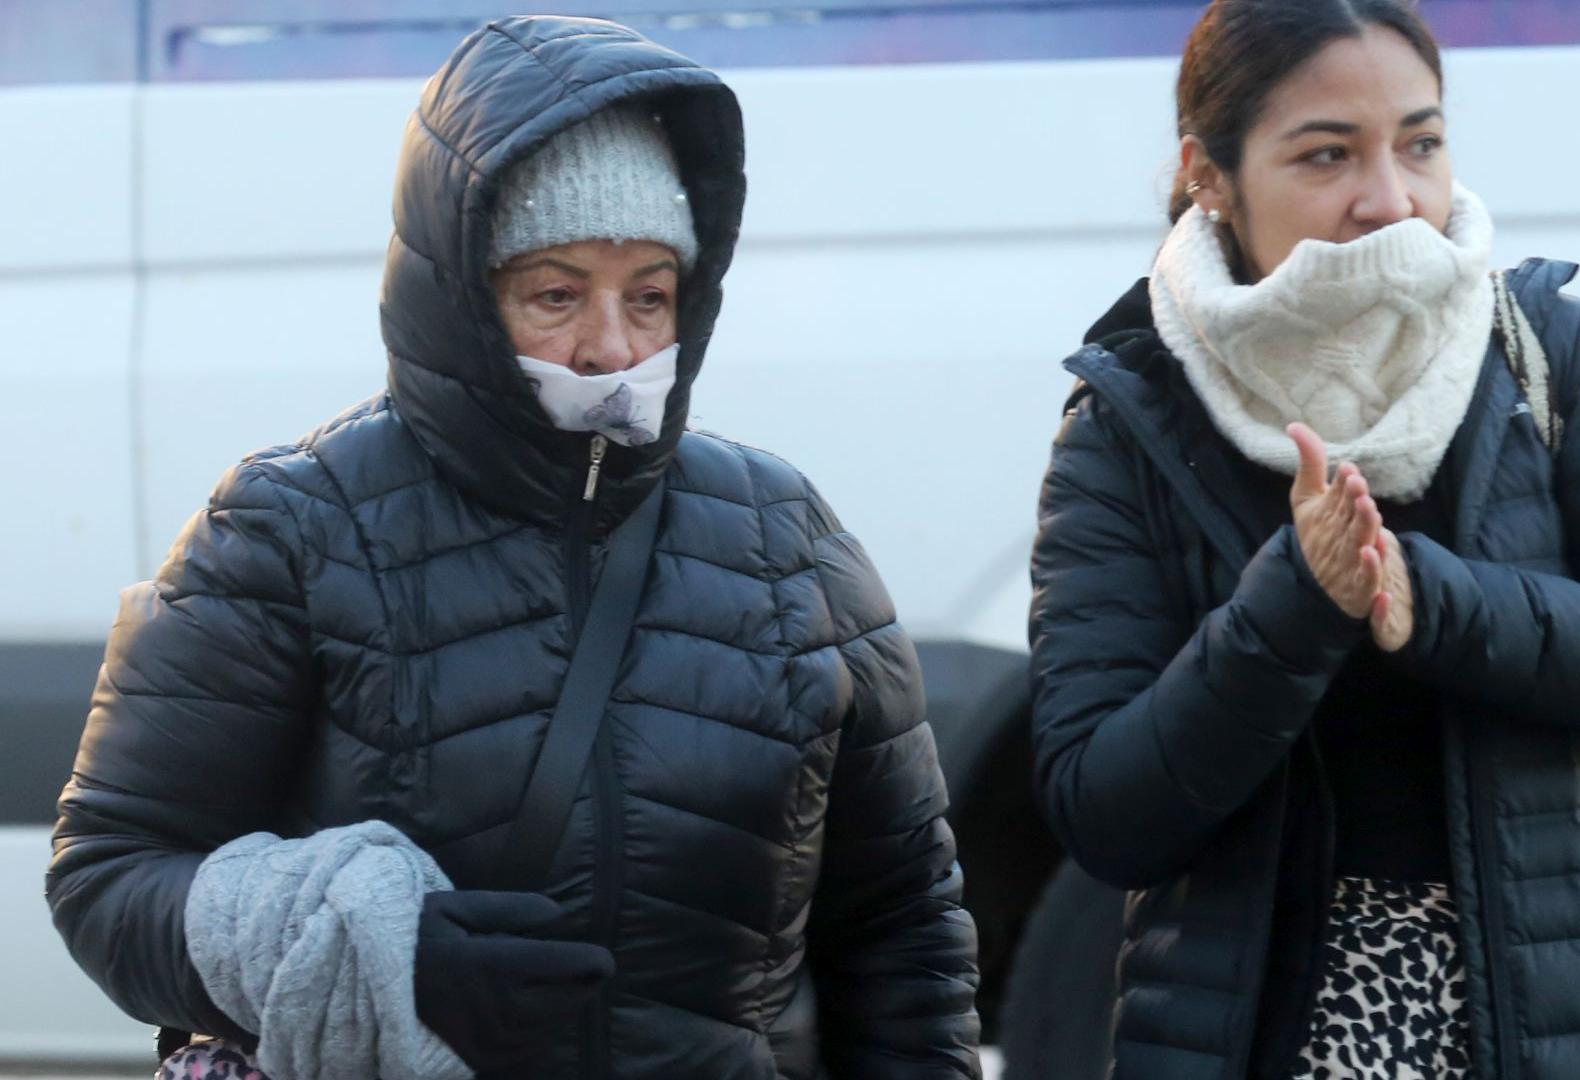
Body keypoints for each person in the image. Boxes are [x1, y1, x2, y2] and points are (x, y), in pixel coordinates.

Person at [46, 16, 981, 1080]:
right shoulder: (291, 526)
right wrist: (383, 957)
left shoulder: (786, 537)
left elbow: (903, 925)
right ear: (461, 293)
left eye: (649, 296)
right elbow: (108, 880)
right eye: (555, 293)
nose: (613, 347)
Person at [1026, 1, 1580, 1077]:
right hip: (1265, 1037)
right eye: (1327, 155)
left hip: (1568, 1027)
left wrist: (1431, 600)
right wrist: (1294, 606)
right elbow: (1104, 811)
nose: (1392, 200)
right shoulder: (1133, 417)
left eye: (1419, 143)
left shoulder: (1543, 350)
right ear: (1209, 173)